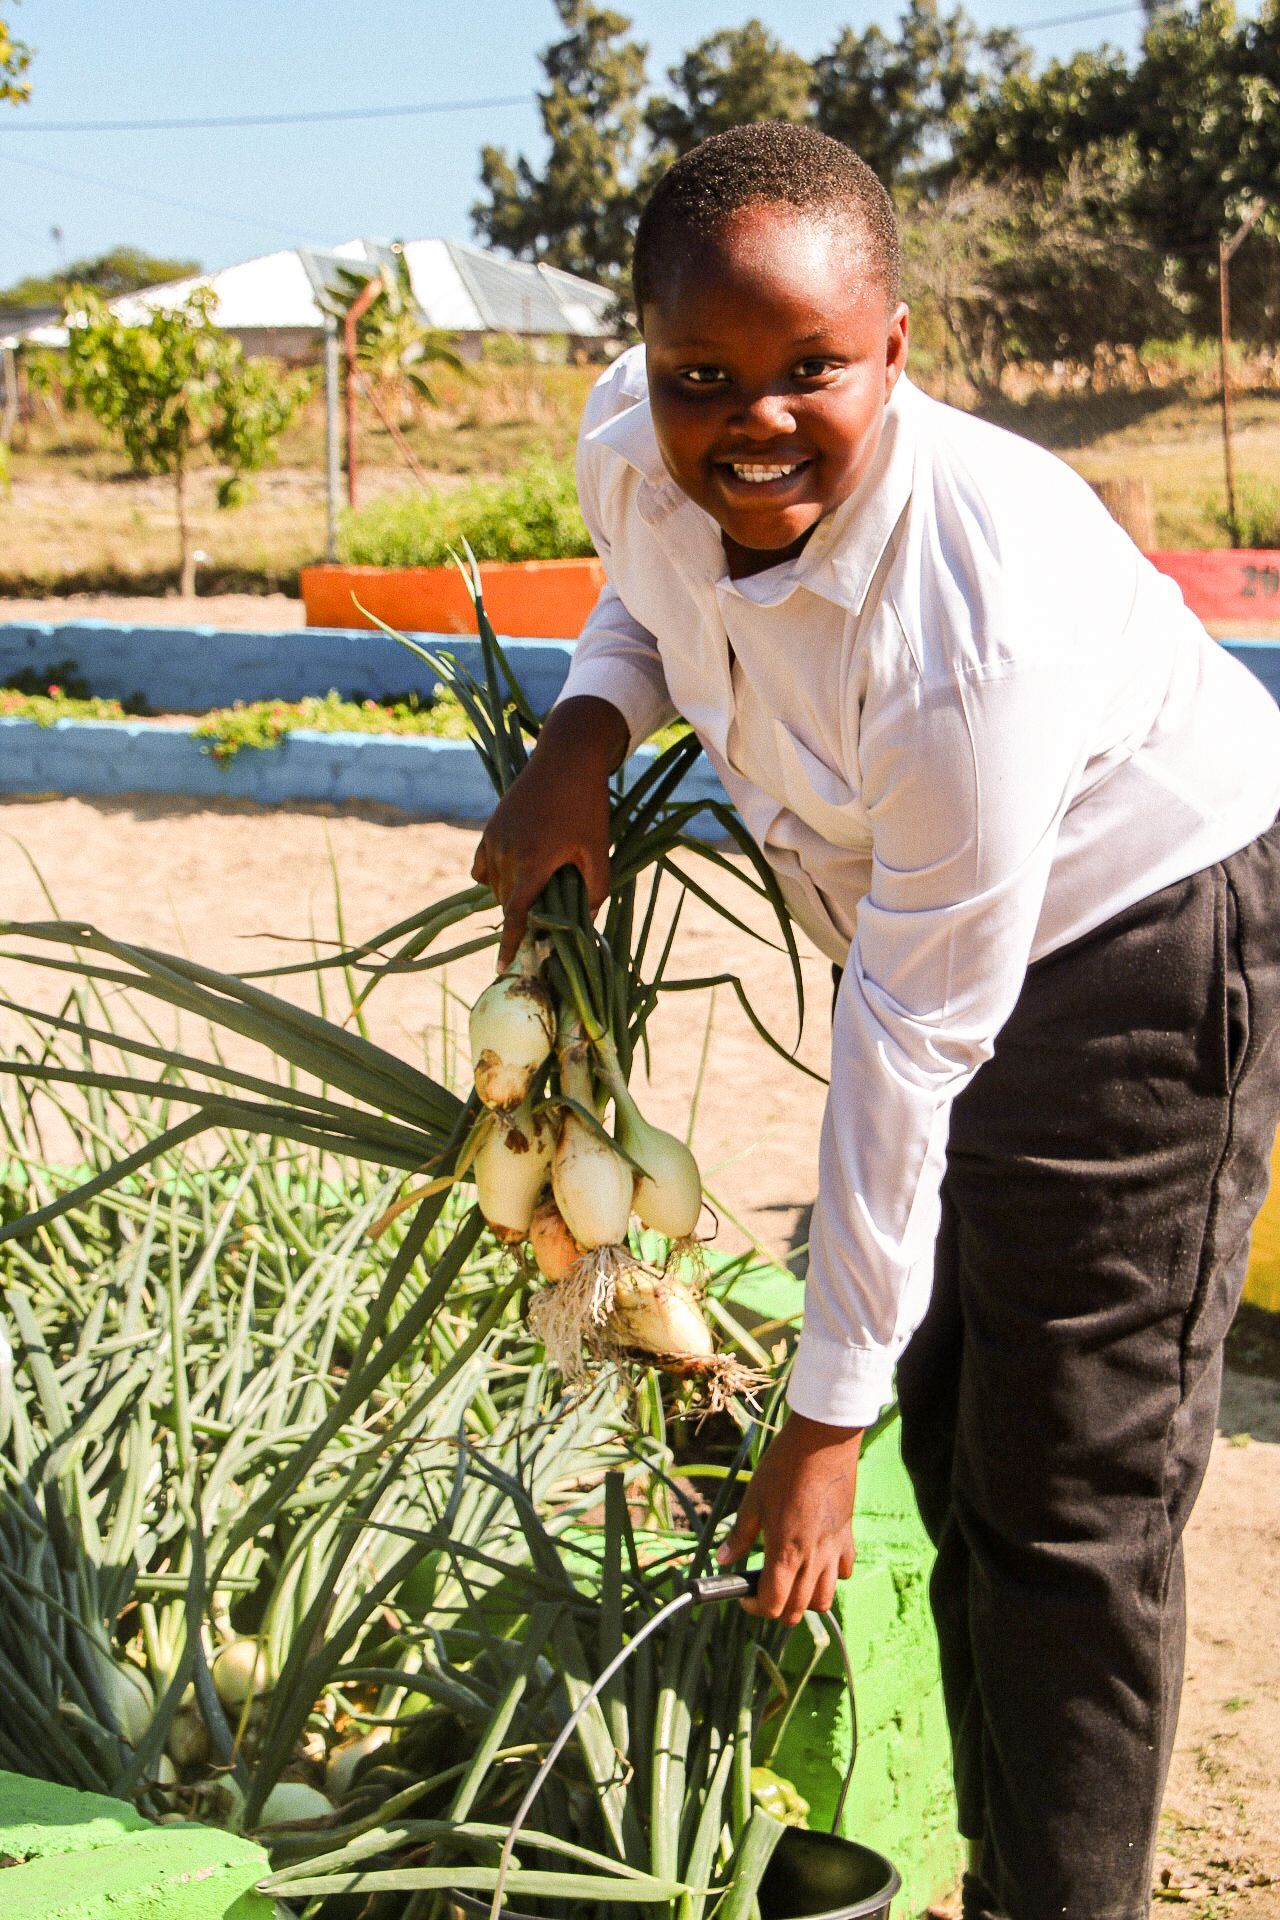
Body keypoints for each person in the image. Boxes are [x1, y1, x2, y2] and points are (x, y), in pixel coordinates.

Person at [471, 122, 1280, 1920]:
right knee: (956, 1413)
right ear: (651, 356)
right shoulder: (637, 434)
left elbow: (906, 1055)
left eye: (811, 372)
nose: (751, 423)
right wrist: (581, 740)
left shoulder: (966, 629)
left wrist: (809, 1437)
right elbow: (650, 591)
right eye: (706, 377)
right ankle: (1005, 1867)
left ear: (896, 352)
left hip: (1135, 924)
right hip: (934, 920)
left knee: (1071, 1478)